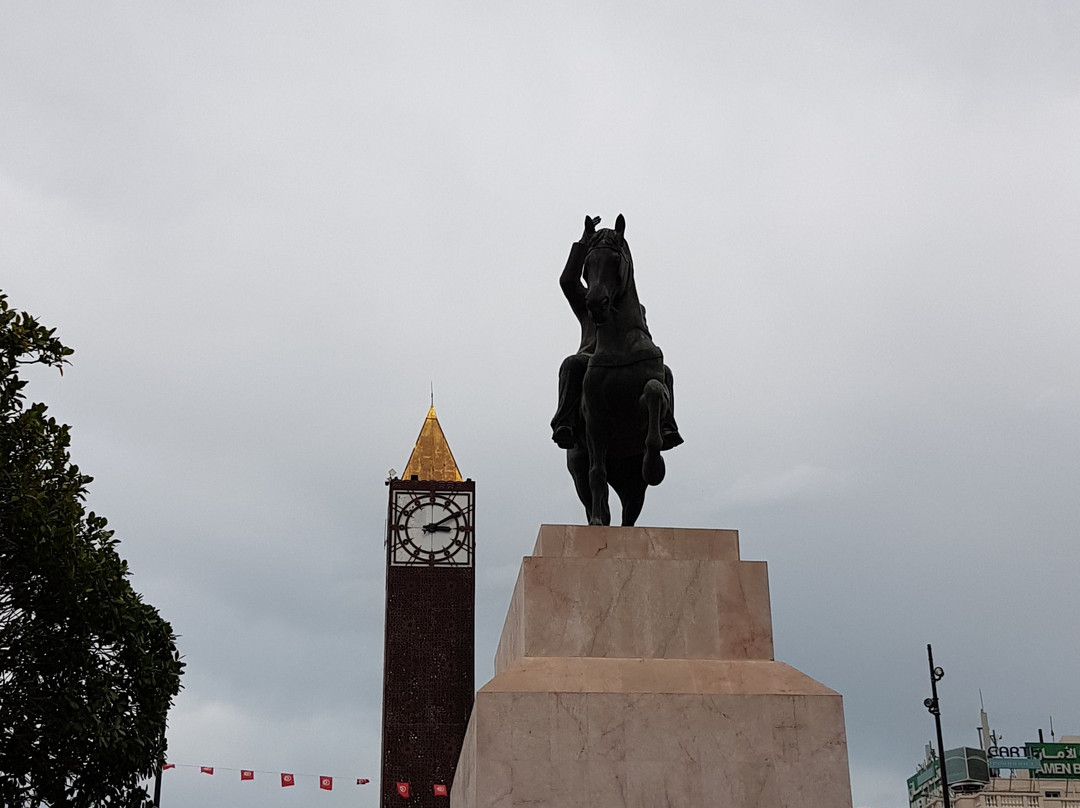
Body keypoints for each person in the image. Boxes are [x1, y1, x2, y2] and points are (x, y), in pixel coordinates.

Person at [551, 216, 683, 451]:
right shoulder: (589, 302)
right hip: (593, 358)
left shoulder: (637, 311)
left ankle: (666, 425)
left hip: (628, 359)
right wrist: (584, 241)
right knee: (571, 365)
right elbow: (568, 281)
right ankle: (565, 422)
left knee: (665, 373)